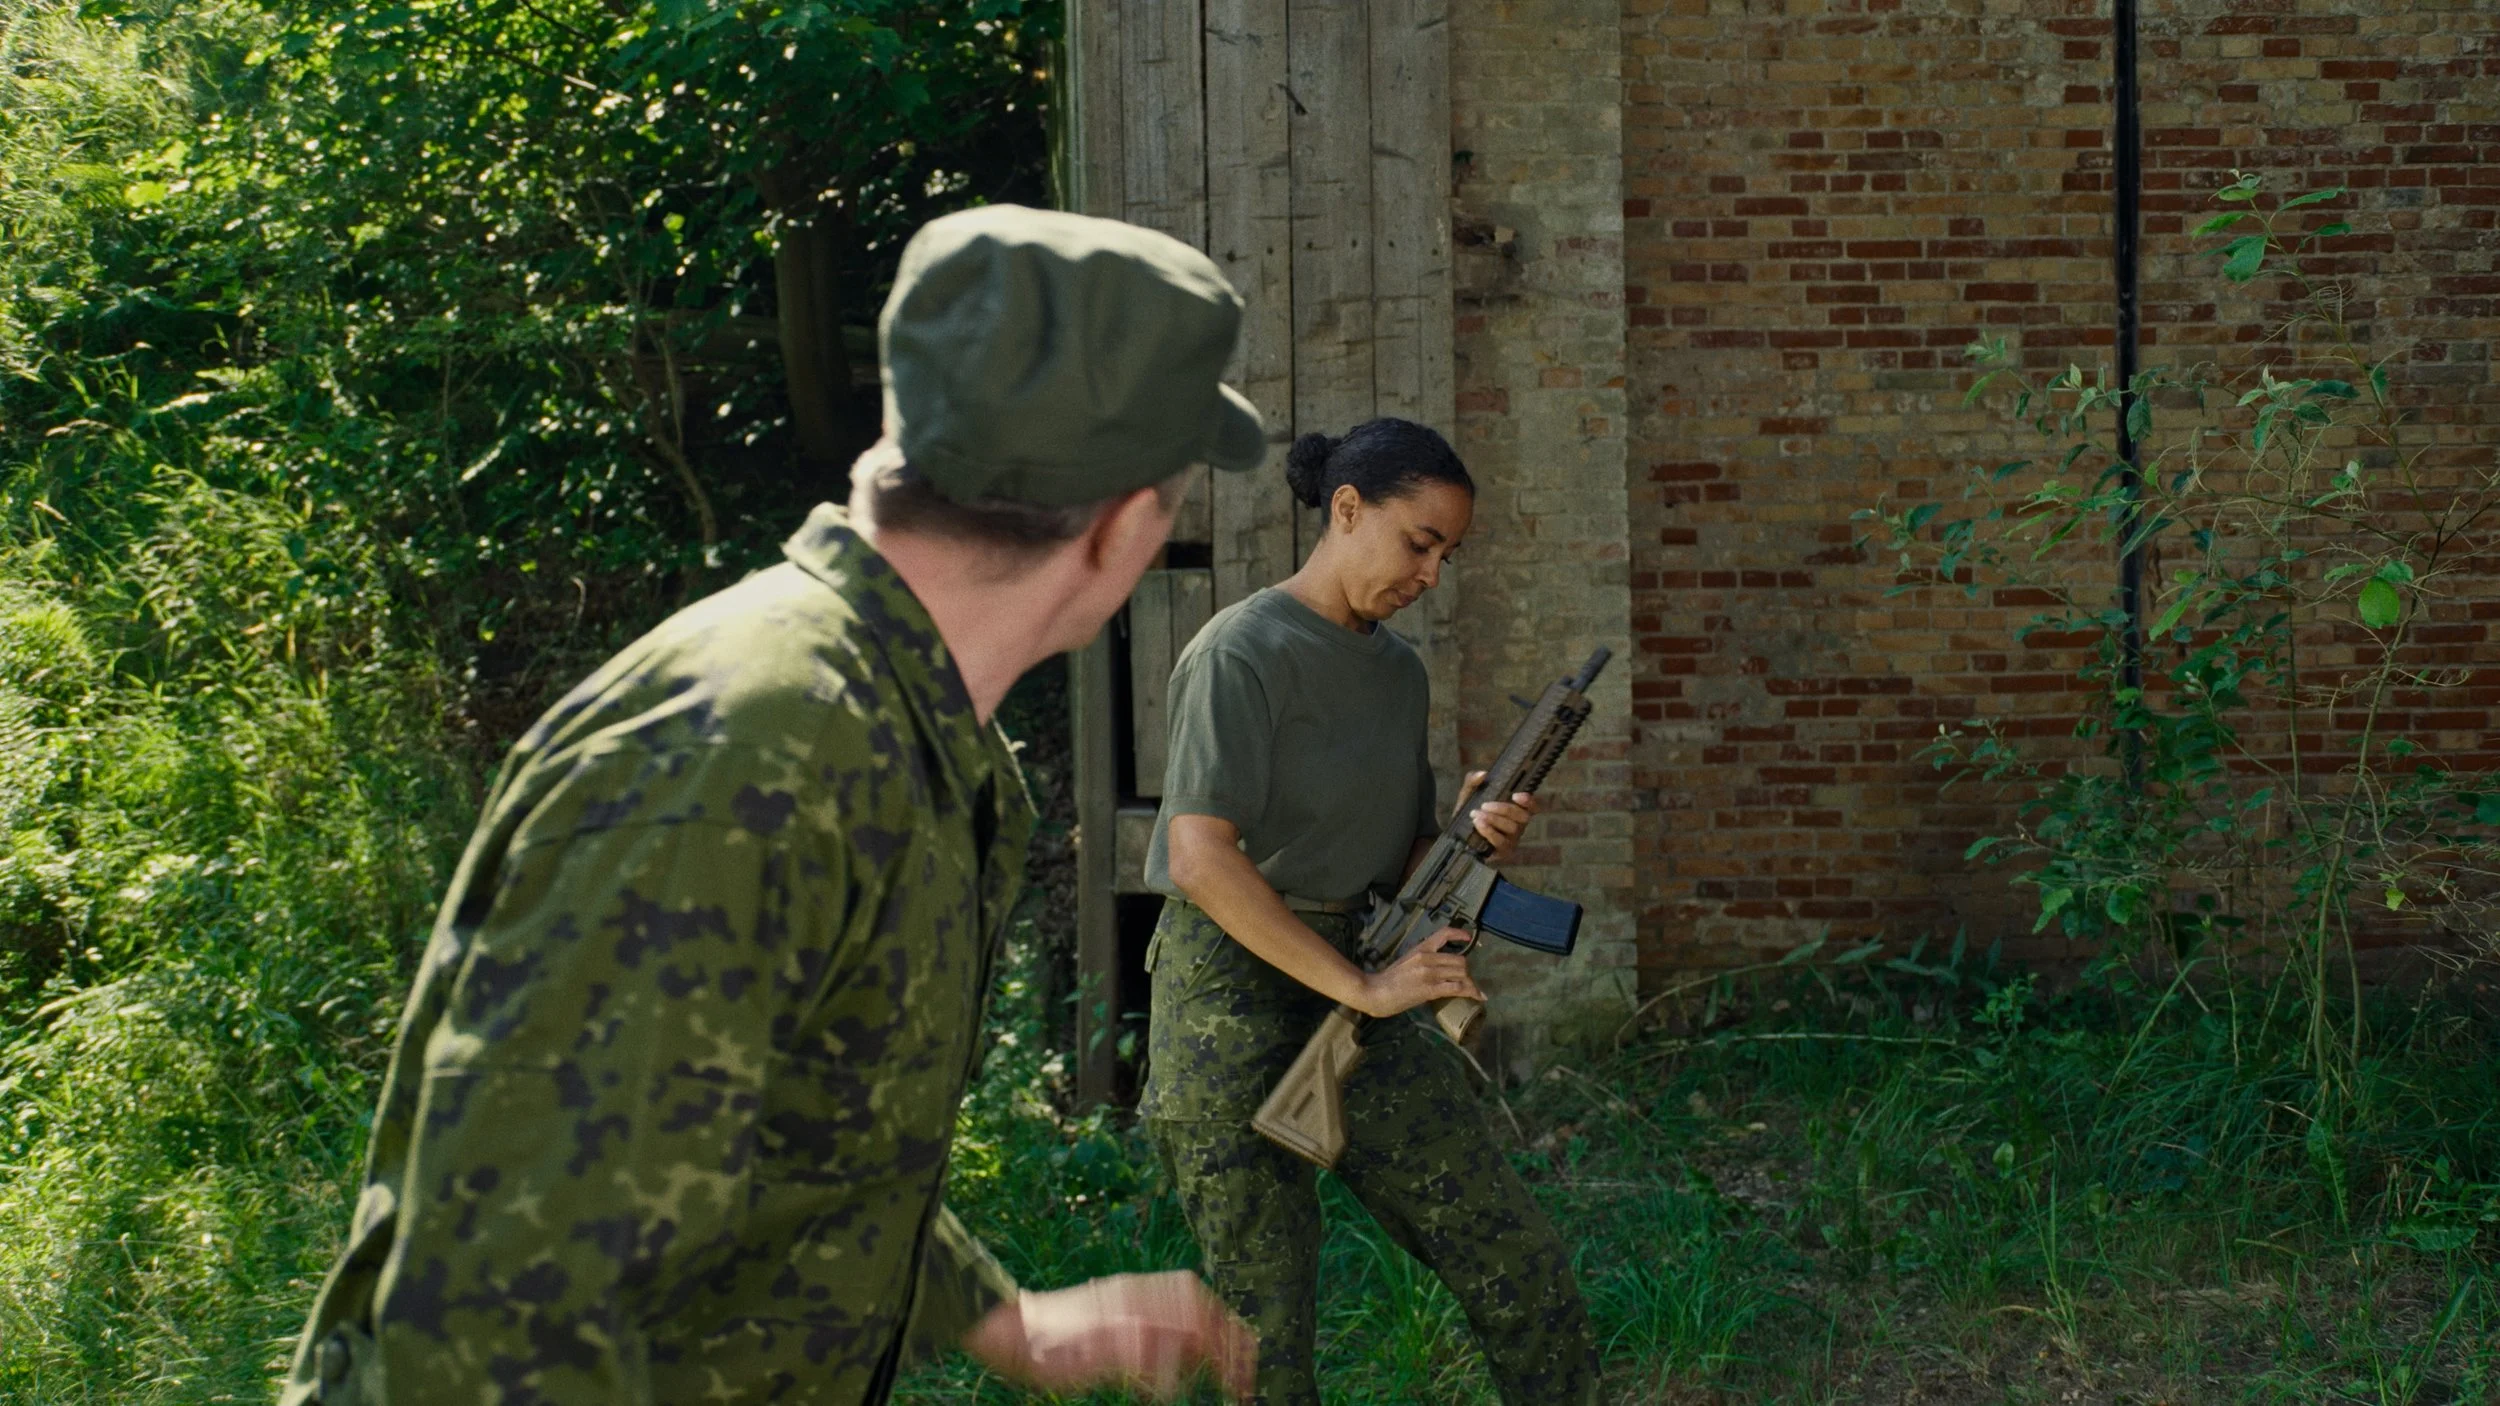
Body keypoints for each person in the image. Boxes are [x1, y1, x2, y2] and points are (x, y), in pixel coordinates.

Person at [280, 206, 1262, 1406]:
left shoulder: (877, 717)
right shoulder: (750, 763)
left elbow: (785, 1116)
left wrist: (1003, 1319)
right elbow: (491, 1330)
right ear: (1122, 530)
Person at [1139, 419, 1600, 1405]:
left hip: (1363, 956)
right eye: (1419, 541)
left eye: (1448, 552)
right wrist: (1363, 984)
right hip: (1230, 992)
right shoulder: (1241, 651)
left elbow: (1397, 851)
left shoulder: (1396, 672)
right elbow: (1199, 855)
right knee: (1265, 1328)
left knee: (1511, 1252)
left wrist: (1471, 842)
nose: (1432, 572)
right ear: (1347, 509)